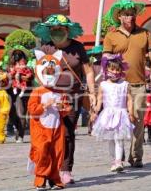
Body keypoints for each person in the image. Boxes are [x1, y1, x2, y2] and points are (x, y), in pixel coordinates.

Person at [33, 14, 96, 183]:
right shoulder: (46, 48)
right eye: (53, 30)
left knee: (67, 133)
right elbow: (38, 73)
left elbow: (88, 71)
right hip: (51, 97)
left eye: (60, 29)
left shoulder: (77, 48)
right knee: (49, 134)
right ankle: (48, 168)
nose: (56, 32)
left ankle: (66, 169)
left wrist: (92, 93)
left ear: (68, 30)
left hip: (73, 96)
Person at [103, 0, 151, 168]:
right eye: (127, 15)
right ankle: (118, 158)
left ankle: (135, 155)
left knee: (138, 121)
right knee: (118, 121)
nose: (130, 17)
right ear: (119, 16)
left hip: (138, 84)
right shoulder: (111, 35)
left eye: (132, 14)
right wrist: (107, 79)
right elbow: (105, 58)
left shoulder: (145, 33)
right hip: (118, 86)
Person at [28, 49, 71, 190]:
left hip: (56, 128)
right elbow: (32, 110)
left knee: (57, 153)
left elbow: (66, 110)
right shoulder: (37, 91)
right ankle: (40, 179)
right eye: (47, 72)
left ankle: (55, 178)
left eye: (52, 72)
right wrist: (44, 105)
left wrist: (62, 107)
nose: (50, 74)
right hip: (41, 130)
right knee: (42, 153)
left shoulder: (60, 92)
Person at [91, 54, 134, 172]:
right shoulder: (103, 85)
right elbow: (100, 99)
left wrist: (131, 112)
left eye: (117, 70)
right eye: (112, 69)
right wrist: (95, 110)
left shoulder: (124, 84)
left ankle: (119, 161)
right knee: (110, 139)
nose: (115, 72)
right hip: (107, 115)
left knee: (119, 138)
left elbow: (129, 99)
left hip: (121, 114)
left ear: (121, 71)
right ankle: (114, 159)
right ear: (107, 70)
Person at [7, 46, 34, 143]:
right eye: (15, 55)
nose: (17, 57)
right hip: (10, 92)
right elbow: (6, 79)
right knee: (11, 114)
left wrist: (19, 76)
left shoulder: (28, 68)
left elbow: (29, 78)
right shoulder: (8, 67)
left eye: (19, 55)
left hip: (23, 93)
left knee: (20, 113)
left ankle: (20, 135)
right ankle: (18, 130)